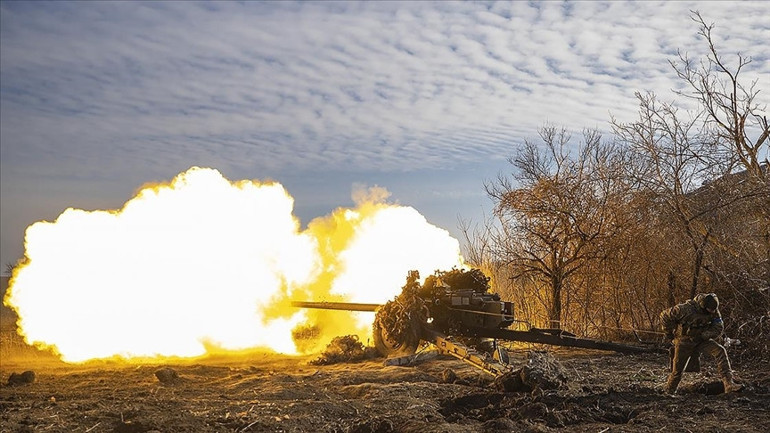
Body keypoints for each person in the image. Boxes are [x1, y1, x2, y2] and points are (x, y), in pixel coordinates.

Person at [660, 293, 743, 394]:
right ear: (703, 306)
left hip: (702, 340)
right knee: (677, 370)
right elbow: (664, 316)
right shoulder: (683, 309)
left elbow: (718, 327)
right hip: (684, 341)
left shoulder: (714, 310)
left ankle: (729, 383)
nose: (713, 312)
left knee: (720, 351)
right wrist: (669, 333)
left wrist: (705, 335)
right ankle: (669, 392)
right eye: (710, 310)